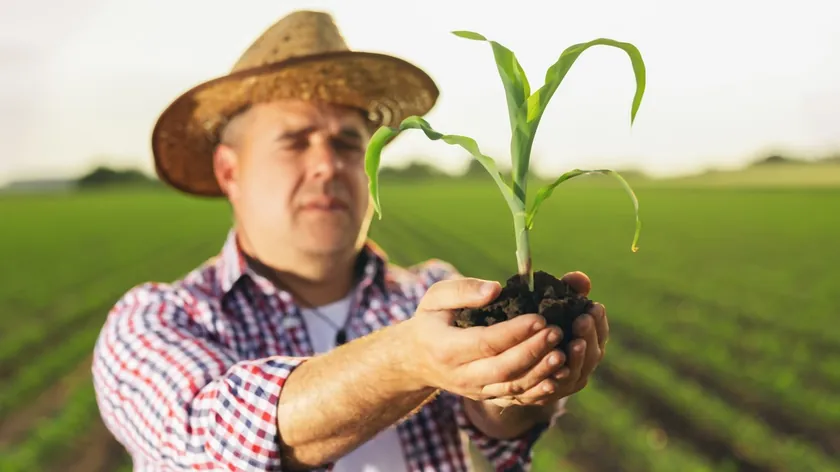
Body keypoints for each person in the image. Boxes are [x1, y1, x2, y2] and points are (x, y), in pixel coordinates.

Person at [91, 10, 609, 472]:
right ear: (230, 170)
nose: (328, 165)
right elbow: (210, 437)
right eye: (295, 141)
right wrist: (407, 360)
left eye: (348, 143)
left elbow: (497, 426)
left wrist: (528, 376)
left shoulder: (427, 295)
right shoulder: (158, 320)